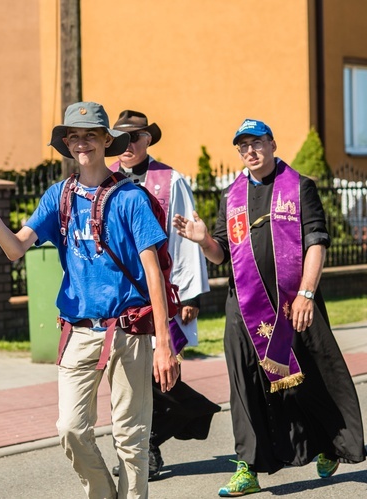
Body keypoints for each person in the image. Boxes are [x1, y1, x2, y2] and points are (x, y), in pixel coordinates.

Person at [0, 101, 179, 499]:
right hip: (78, 329)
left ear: (107, 140)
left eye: (90, 134)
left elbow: (153, 276)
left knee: (131, 437)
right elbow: (14, 248)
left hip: (127, 330)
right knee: (70, 429)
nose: (81, 142)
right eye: (73, 136)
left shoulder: (131, 199)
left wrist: (165, 344)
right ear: (66, 144)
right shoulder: (59, 196)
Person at [172, 119, 367, 496]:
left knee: (307, 377)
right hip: (243, 306)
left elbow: (316, 242)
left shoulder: (299, 187)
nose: (250, 151)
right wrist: (202, 241)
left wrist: (307, 294)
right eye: (242, 146)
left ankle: (328, 443)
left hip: (293, 303)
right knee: (244, 382)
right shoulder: (231, 197)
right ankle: (248, 466)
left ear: (273, 144)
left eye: (257, 142)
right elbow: (220, 255)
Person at [108, 110, 221, 480]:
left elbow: (184, 239)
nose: (129, 145)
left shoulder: (169, 180)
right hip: (119, 299)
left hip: (165, 295)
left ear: (148, 140)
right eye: (122, 139)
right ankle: (185, 417)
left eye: (136, 137)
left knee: (159, 375)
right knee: (127, 378)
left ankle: (147, 448)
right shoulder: (104, 180)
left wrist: (191, 296)